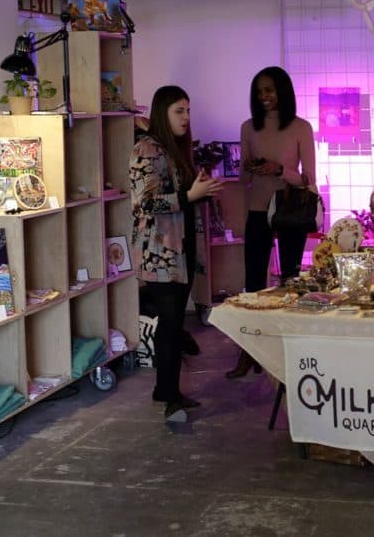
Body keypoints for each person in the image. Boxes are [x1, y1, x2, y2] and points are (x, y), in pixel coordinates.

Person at [131, 85, 223, 422]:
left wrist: (200, 190)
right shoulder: (146, 149)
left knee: (173, 325)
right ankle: (168, 394)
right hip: (159, 253)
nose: (186, 118)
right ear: (162, 113)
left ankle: (166, 390)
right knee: (171, 325)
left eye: (188, 110)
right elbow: (146, 203)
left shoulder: (173, 150)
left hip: (179, 250)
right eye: (178, 111)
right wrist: (190, 194)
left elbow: (180, 196)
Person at [226, 66, 317, 379]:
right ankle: (250, 351)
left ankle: (288, 350)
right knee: (253, 284)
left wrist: (281, 170)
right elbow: (243, 179)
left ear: (283, 91)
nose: (263, 96)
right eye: (259, 91)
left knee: (291, 281)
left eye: (269, 90)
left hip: (291, 209)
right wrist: (251, 167)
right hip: (256, 211)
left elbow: (309, 181)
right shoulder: (248, 127)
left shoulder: (301, 127)